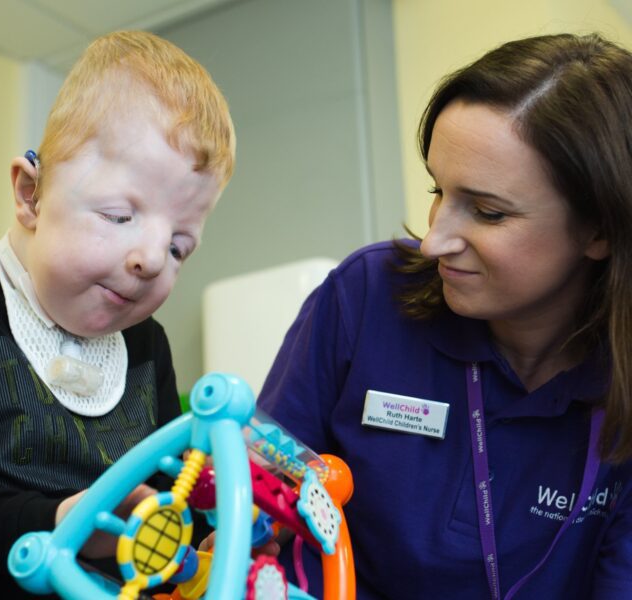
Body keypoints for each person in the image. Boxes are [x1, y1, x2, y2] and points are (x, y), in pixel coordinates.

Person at [258, 32, 632, 599]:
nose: (434, 241)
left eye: (487, 211)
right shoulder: (364, 298)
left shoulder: (619, 386)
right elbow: (257, 506)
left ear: (599, 229)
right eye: (439, 189)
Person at [0, 30, 234, 596]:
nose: (152, 260)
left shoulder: (148, 347)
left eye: (179, 246)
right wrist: (62, 523)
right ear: (31, 195)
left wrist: (203, 540)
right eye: (120, 215)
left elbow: (169, 493)